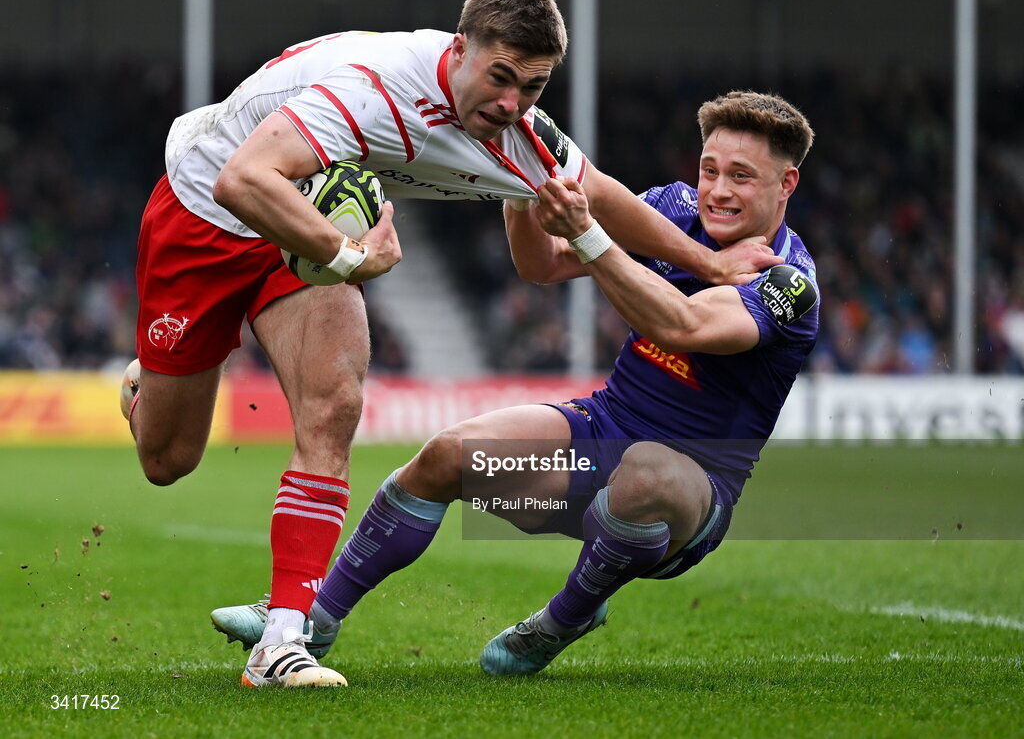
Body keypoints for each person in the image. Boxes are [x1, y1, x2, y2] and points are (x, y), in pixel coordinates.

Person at [129, 0, 782, 689]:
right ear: (460, 48)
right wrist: (350, 256)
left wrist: (711, 263)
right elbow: (243, 181)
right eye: (501, 77)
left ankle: (285, 639)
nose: (511, 102)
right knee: (168, 458)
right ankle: (145, 390)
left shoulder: (517, 130)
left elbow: (596, 194)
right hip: (207, 214)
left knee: (333, 406)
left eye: (531, 87)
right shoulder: (373, 92)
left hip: (314, 212)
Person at [211, 90, 820, 676]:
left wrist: (587, 231)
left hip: (689, 495)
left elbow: (680, 323)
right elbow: (540, 264)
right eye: (710, 168)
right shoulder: (675, 209)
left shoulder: (791, 282)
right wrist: (522, 185)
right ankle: (315, 618)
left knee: (646, 473)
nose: (716, 189)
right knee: (446, 456)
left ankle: (563, 620)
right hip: (597, 440)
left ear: (786, 184)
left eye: (741, 176)